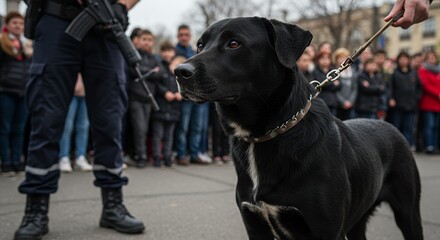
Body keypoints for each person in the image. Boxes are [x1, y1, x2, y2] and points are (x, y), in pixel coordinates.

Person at [14, 1, 145, 239]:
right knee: (46, 120)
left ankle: (113, 204)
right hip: (55, 20)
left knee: (110, 122)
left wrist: (123, 4)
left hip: (105, 24)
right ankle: (35, 209)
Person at [0, 12, 31, 177]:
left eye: (21, 23)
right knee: (5, 128)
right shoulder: (3, 42)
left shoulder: (27, 44)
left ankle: (17, 160)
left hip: (23, 91)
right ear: (8, 25)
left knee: (19, 129)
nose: (18, 26)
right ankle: (6, 162)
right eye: (15, 23)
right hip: (6, 90)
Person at [127, 28, 163, 168]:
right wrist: (151, 72)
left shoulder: (154, 58)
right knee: (139, 128)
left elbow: (160, 74)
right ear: (139, 41)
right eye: (144, 40)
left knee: (145, 128)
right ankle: (140, 155)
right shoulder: (134, 55)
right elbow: (133, 70)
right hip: (136, 97)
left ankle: (142, 153)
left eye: (149, 40)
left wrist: (145, 73)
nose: (147, 43)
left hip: (149, 99)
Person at [174, 24, 208, 165]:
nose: (184, 37)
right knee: (183, 127)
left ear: (190, 36)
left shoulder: (196, 53)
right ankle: (181, 154)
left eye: (186, 35)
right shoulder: (174, 53)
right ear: (178, 36)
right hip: (183, 97)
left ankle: (195, 154)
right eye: (181, 35)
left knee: (197, 127)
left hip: (198, 96)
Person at [151, 50, 184, 167]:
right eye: (175, 65)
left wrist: (180, 95)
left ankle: (167, 157)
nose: (176, 68)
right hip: (160, 109)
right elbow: (156, 86)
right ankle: (156, 157)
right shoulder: (162, 72)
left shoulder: (179, 79)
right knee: (158, 135)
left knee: (169, 136)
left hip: (173, 110)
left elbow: (183, 91)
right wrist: (165, 92)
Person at [58, 74, 93, 172]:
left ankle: (80, 157)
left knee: (83, 126)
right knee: (67, 126)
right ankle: (64, 157)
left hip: (86, 90)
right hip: (70, 89)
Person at [388, 51, 422, 150]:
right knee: (397, 127)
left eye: (405, 59)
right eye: (401, 59)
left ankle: (407, 146)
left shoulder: (414, 74)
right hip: (398, 105)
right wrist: (391, 98)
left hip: (411, 105)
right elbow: (391, 88)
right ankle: (397, 147)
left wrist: (416, 98)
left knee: (408, 127)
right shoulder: (395, 73)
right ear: (398, 60)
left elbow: (419, 88)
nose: (403, 61)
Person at [418, 50, 440, 154]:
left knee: (436, 126)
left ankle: (435, 145)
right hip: (428, 103)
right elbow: (426, 85)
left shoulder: (438, 71)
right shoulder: (423, 70)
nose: (432, 60)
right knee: (429, 125)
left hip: (438, 104)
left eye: (434, 58)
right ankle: (429, 146)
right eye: (430, 58)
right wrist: (438, 93)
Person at [312, 51, 341, 116]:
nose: (325, 60)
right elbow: (320, 85)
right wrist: (333, 84)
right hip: (322, 101)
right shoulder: (315, 71)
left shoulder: (333, 71)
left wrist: (329, 85)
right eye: (323, 58)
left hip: (333, 102)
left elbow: (339, 85)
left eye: (327, 58)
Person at [333, 48, 357, 120]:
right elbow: (335, 90)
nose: (342, 60)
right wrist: (343, 102)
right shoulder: (335, 72)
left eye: (344, 57)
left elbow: (354, 89)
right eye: (340, 57)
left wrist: (350, 101)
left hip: (350, 104)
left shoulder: (352, 72)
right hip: (338, 105)